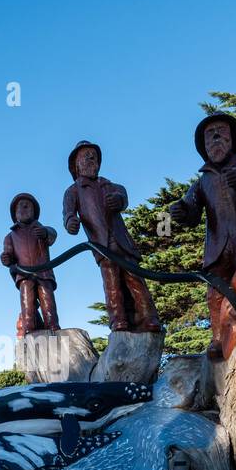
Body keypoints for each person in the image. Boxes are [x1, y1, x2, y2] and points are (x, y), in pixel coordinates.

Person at [169, 113, 236, 359]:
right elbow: (192, 212)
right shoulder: (201, 182)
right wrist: (182, 211)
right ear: (204, 147)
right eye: (210, 135)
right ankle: (218, 338)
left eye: (221, 131)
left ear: (232, 139)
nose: (216, 137)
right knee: (214, 293)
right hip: (217, 247)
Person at [62, 141, 161, 333]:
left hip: (123, 243)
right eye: (85, 155)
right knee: (112, 284)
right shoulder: (73, 191)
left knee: (136, 280)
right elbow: (68, 215)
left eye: (94, 155)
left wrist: (119, 200)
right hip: (102, 245)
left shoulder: (111, 186)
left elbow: (123, 197)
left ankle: (149, 317)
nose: (91, 158)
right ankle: (118, 320)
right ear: (76, 165)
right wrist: (70, 223)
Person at [0, 193, 60, 338]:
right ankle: (30, 331)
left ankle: (54, 328)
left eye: (28, 206)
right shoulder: (10, 236)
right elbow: (8, 256)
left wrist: (45, 233)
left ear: (35, 212)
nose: (24, 208)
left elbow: (53, 235)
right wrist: (6, 258)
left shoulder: (41, 229)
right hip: (24, 274)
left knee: (48, 301)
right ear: (14, 214)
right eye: (20, 207)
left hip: (43, 272)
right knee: (27, 303)